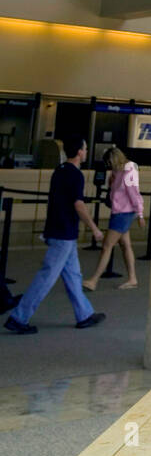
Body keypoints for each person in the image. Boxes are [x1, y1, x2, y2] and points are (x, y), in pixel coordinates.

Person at [4, 137, 106, 334]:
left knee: (73, 275)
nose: (86, 152)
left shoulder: (58, 172)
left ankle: (84, 314)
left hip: (56, 229)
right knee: (46, 277)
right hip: (64, 233)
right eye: (84, 149)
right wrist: (94, 227)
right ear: (79, 152)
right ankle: (19, 317)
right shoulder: (76, 176)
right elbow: (78, 204)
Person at [83, 146, 144, 292]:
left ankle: (94, 280)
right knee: (125, 245)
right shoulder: (120, 171)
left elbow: (134, 193)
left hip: (123, 213)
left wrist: (140, 214)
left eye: (109, 163)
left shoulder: (128, 170)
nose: (109, 167)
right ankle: (132, 278)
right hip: (121, 212)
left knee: (107, 246)